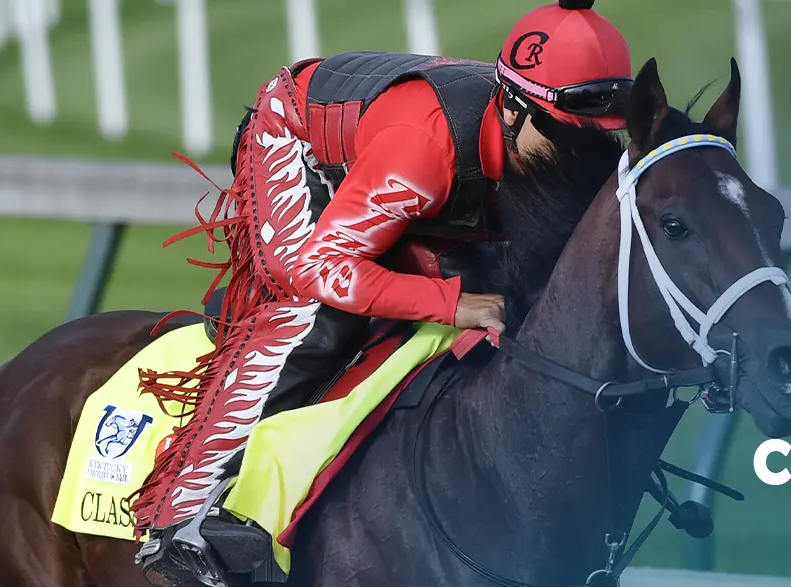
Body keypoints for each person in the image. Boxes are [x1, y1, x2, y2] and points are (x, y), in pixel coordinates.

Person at [131, 1, 634, 583]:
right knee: (315, 319)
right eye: (567, 136)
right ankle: (179, 520)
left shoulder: (527, 133)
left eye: (600, 141)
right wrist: (452, 304)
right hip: (299, 144)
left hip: (405, 162)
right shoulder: (424, 153)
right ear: (515, 109)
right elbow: (325, 267)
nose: (582, 156)